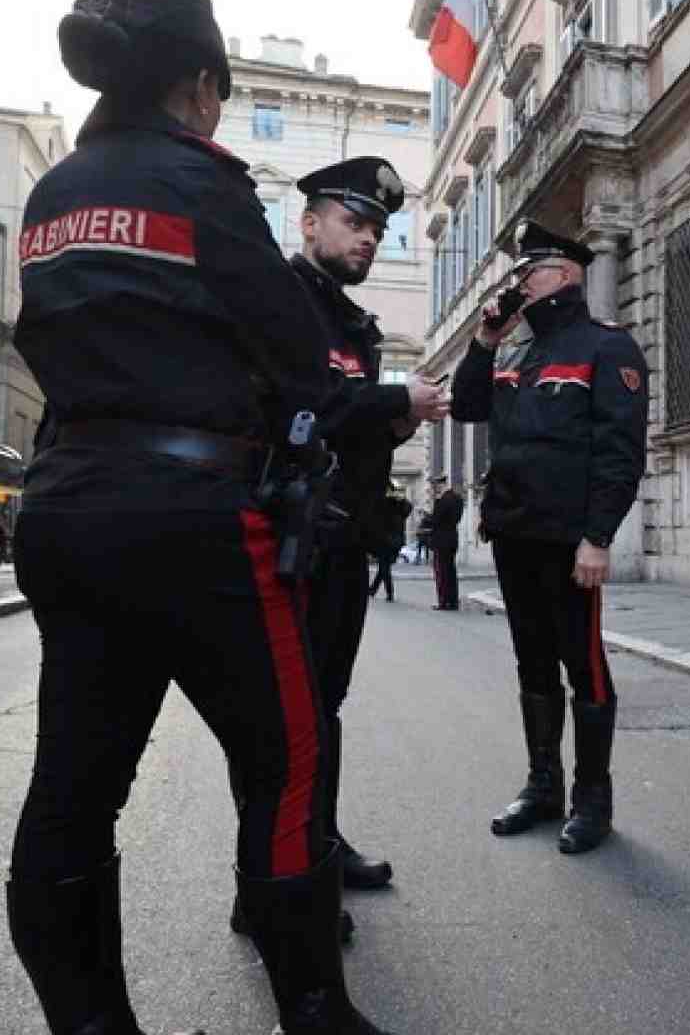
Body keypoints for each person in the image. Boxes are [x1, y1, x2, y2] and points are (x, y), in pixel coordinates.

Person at [4, 0, 385, 1031]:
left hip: (68, 508)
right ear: (199, 88)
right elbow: (299, 353)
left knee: (75, 787)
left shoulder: (53, 191)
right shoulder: (201, 182)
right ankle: (314, 1010)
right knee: (291, 759)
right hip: (197, 522)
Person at [452, 220, 649, 856]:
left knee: (582, 662)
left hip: (569, 542)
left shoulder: (606, 347)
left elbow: (620, 453)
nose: (516, 283)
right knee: (531, 662)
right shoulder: (515, 355)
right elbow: (464, 407)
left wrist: (598, 537)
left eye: (526, 273)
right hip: (514, 531)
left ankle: (593, 801)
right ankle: (543, 787)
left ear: (563, 276)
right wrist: (485, 338)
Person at [285, 156, 448, 893]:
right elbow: (300, 410)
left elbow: (357, 431)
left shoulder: (355, 324)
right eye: (354, 224)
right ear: (310, 222)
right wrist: (394, 403)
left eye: (378, 231)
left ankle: (321, 841)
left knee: (328, 703)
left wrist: (399, 412)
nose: (368, 241)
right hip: (292, 539)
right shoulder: (282, 301)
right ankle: (280, 876)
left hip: (344, 538)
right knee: (291, 712)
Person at [367, 487, 411, 601]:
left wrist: (400, 498)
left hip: (387, 541)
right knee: (384, 567)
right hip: (392, 541)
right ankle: (373, 590)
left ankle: (388, 593)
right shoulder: (393, 505)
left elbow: (408, 508)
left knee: (384, 567)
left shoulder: (397, 506)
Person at [426, 476, 463, 610]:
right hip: (452, 538)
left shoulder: (442, 501)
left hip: (441, 541)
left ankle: (444, 601)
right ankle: (453, 601)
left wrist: (427, 516)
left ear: (440, 485)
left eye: (435, 485)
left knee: (441, 572)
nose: (434, 488)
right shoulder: (457, 499)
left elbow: (435, 519)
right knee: (451, 572)